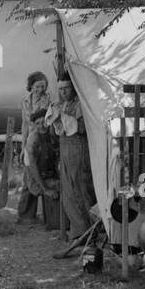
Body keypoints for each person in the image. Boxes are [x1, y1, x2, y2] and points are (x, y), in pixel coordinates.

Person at [47, 75, 99, 256]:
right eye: (60, 89)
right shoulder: (59, 105)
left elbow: (84, 129)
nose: (63, 92)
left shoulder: (79, 105)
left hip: (79, 150)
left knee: (81, 192)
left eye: (66, 88)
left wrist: (68, 119)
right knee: (68, 193)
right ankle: (78, 232)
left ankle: (88, 233)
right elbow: (55, 134)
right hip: (65, 152)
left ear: (73, 88)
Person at [17, 72, 50, 223]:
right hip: (30, 139)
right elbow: (25, 124)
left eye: (42, 86)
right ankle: (26, 215)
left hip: (43, 138)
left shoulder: (48, 99)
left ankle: (46, 213)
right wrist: (23, 145)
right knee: (28, 175)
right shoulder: (25, 101)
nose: (40, 89)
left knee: (42, 173)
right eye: (37, 86)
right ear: (31, 86)